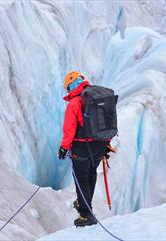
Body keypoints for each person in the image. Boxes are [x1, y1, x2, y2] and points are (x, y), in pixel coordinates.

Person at [57, 71, 112, 227]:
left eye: (68, 89)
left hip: (81, 147)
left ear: (70, 86)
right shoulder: (97, 98)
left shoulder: (75, 103)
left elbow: (69, 129)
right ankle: (85, 206)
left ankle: (86, 214)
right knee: (91, 175)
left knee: (81, 180)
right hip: (100, 146)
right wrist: (106, 142)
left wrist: (64, 148)